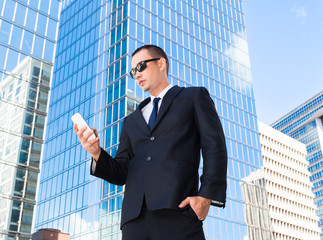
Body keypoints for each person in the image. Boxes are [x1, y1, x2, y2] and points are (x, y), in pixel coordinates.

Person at [73, 45, 227, 240]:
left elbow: (215, 146)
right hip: (134, 221)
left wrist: (206, 196)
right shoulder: (131, 120)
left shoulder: (193, 97)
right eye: (133, 71)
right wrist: (96, 152)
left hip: (178, 212)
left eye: (141, 66)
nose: (136, 75)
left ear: (161, 63)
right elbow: (121, 173)